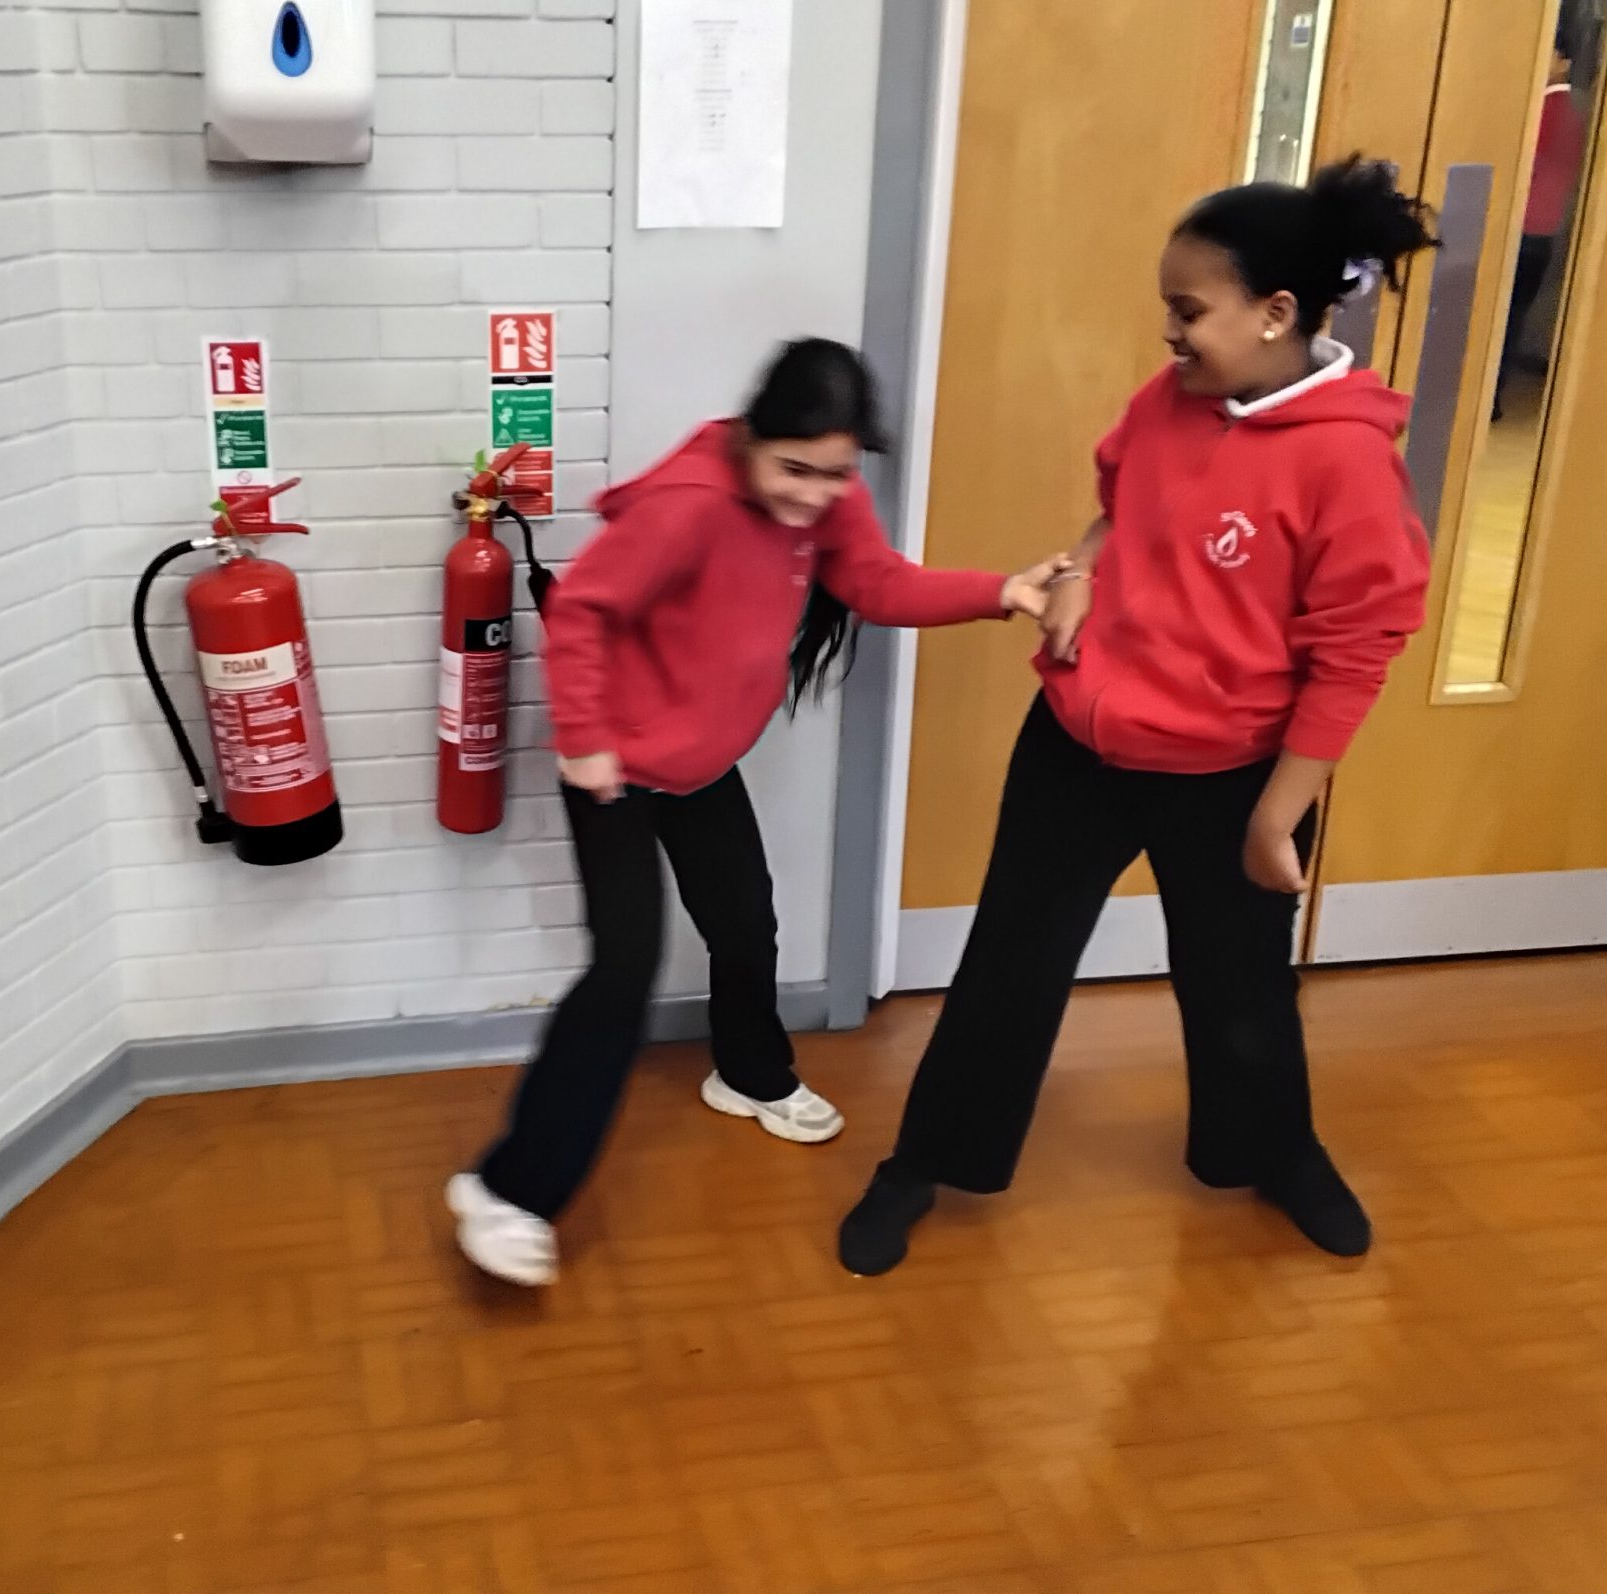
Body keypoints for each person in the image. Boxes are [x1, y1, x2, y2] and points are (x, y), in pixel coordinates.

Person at [837, 156, 1438, 1276]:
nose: (1169, 332)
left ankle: (1277, 1152)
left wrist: (1278, 817)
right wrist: (1080, 573)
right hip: (1079, 745)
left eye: (1188, 310)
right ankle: (926, 1160)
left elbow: (1356, 656)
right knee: (1009, 961)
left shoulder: (1350, 465)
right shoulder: (1169, 401)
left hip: (1233, 776)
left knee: (1239, 982)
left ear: (1275, 313)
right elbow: (1118, 511)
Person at [446, 338, 1060, 1287]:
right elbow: (582, 612)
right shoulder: (690, 506)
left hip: (700, 766)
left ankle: (748, 1074)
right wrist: (585, 738)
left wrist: (1001, 592)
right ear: (752, 441)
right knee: (625, 968)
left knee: (744, 925)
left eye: (836, 474)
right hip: (613, 768)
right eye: (795, 470)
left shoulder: (828, 499)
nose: (816, 494)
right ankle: (509, 1190)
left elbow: (876, 582)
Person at [1496, 32, 1585, 420]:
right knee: (1511, 318)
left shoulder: (1549, 110)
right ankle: (1491, 398)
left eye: (1547, 54)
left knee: (1501, 318)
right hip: (1542, 233)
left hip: (1523, 230)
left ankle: (1486, 399)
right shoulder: (1571, 111)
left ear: (1564, 62)